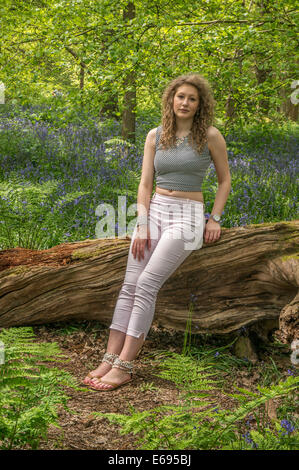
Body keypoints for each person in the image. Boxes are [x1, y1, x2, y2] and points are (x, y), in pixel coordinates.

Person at [83, 73, 231, 391]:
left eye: (192, 98)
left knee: (147, 283)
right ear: (171, 99)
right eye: (181, 97)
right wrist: (142, 222)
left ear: (199, 104)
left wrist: (214, 218)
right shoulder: (155, 135)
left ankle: (125, 365)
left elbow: (224, 181)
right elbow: (145, 184)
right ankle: (109, 357)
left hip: (188, 217)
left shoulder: (210, 135)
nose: (185, 103)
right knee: (129, 285)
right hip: (156, 212)